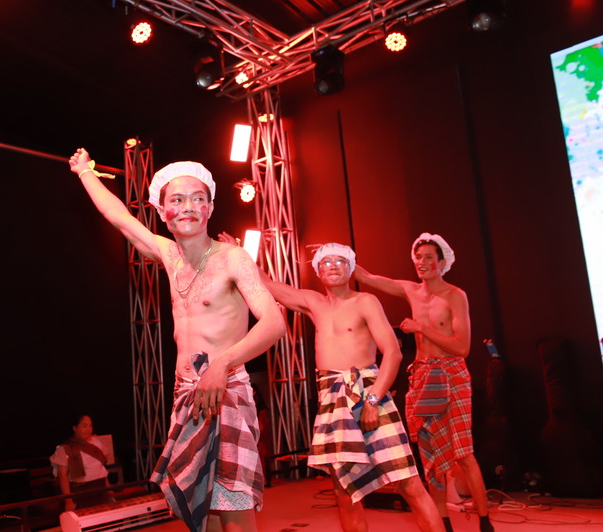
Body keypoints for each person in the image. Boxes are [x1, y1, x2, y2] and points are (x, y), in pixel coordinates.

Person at [69, 148, 285, 532]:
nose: (188, 207)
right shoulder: (168, 254)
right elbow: (118, 216)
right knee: (202, 513)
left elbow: (274, 323)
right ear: (161, 210)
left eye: (198, 199)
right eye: (178, 200)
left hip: (225, 390)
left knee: (234, 516)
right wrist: (85, 172)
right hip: (186, 394)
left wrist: (222, 363)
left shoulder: (233, 258)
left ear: (210, 208)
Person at [238, 237, 444, 532]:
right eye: (326, 262)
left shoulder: (365, 301)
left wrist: (373, 400)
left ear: (351, 269)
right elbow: (268, 284)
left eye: (340, 261)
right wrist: (242, 254)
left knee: (408, 482)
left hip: (369, 391)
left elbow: (393, 353)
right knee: (344, 492)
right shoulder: (313, 302)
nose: (333, 266)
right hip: (332, 399)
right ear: (318, 271)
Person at [353, 233, 494, 532]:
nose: (422, 262)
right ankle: (443, 523)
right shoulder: (411, 290)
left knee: (463, 453)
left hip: (451, 374)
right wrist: (338, 255)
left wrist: (421, 328)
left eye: (429, 257)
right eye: (418, 257)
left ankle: (485, 522)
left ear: (442, 263)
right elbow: (366, 277)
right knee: (430, 457)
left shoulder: (455, 295)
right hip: (422, 375)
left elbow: (462, 348)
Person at [49, 415, 113, 511]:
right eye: (84, 426)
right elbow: (63, 476)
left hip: (100, 489)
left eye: (90, 426)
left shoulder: (97, 443)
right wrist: (68, 500)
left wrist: (109, 489)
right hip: (80, 492)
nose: (88, 429)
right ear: (75, 428)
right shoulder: (65, 448)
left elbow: (101, 470)